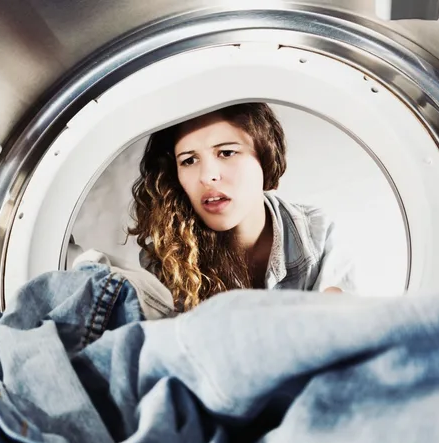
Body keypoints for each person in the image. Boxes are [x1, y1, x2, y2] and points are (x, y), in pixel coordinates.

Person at [128, 102, 358, 311]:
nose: (207, 177)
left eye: (227, 152)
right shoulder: (166, 257)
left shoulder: (317, 233)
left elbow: (340, 332)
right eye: (189, 160)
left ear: (265, 157)